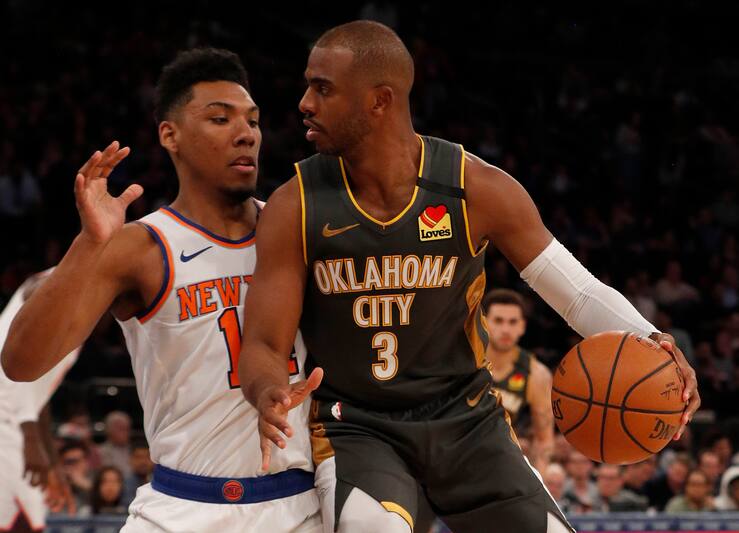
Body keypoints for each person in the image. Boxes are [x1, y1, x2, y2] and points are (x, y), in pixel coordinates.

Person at [239, 20, 699, 533]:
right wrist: (267, 391)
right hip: (358, 427)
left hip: (467, 421)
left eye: (322, 89)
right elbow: (263, 341)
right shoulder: (295, 204)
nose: (304, 103)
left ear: (379, 100)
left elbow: (577, 294)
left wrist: (655, 343)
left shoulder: (473, 187)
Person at [1, 48, 320, 532]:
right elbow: (21, 362)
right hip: (181, 508)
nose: (246, 133)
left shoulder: (296, 230)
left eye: (253, 121)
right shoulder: (143, 247)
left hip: (297, 506)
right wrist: (89, 246)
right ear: (170, 135)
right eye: (220, 118)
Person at [0, 270, 78, 531]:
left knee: (31, 519)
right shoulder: (61, 281)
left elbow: (38, 398)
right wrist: (31, 439)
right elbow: (15, 372)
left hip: (17, 423)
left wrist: (53, 462)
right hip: (8, 422)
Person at [482, 288, 554, 470]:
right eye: (498, 321)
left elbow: (544, 440)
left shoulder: (536, 374)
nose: (506, 329)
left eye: (513, 322)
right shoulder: (464, 361)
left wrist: (539, 478)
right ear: (483, 322)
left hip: (503, 461)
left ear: (522, 326)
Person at [99, 411, 132, 477]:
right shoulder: (100, 451)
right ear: (109, 430)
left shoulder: (134, 450)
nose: (126, 433)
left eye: (127, 429)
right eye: (121, 429)